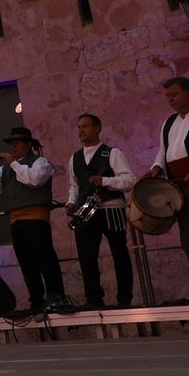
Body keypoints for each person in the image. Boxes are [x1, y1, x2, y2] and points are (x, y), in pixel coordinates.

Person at [0, 126, 70, 314]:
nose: (13, 146)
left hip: (36, 219)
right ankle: (36, 300)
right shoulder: (6, 168)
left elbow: (35, 180)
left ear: (29, 144)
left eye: (17, 143)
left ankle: (56, 296)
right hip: (16, 221)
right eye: (11, 143)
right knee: (26, 262)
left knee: (45, 258)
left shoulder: (40, 162)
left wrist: (13, 164)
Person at [64, 114, 135, 309]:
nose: (81, 130)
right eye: (79, 127)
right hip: (86, 211)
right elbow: (74, 187)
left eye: (85, 126)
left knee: (119, 254)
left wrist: (105, 181)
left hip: (111, 208)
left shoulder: (113, 153)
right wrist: (71, 203)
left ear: (97, 128)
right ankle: (94, 299)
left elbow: (129, 181)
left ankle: (124, 299)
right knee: (86, 257)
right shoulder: (74, 158)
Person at [148, 75, 189, 273]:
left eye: (174, 94)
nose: (170, 99)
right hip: (179, 189)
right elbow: (163, 151)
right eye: (167, 96)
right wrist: (157, 167)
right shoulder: (168, 123)